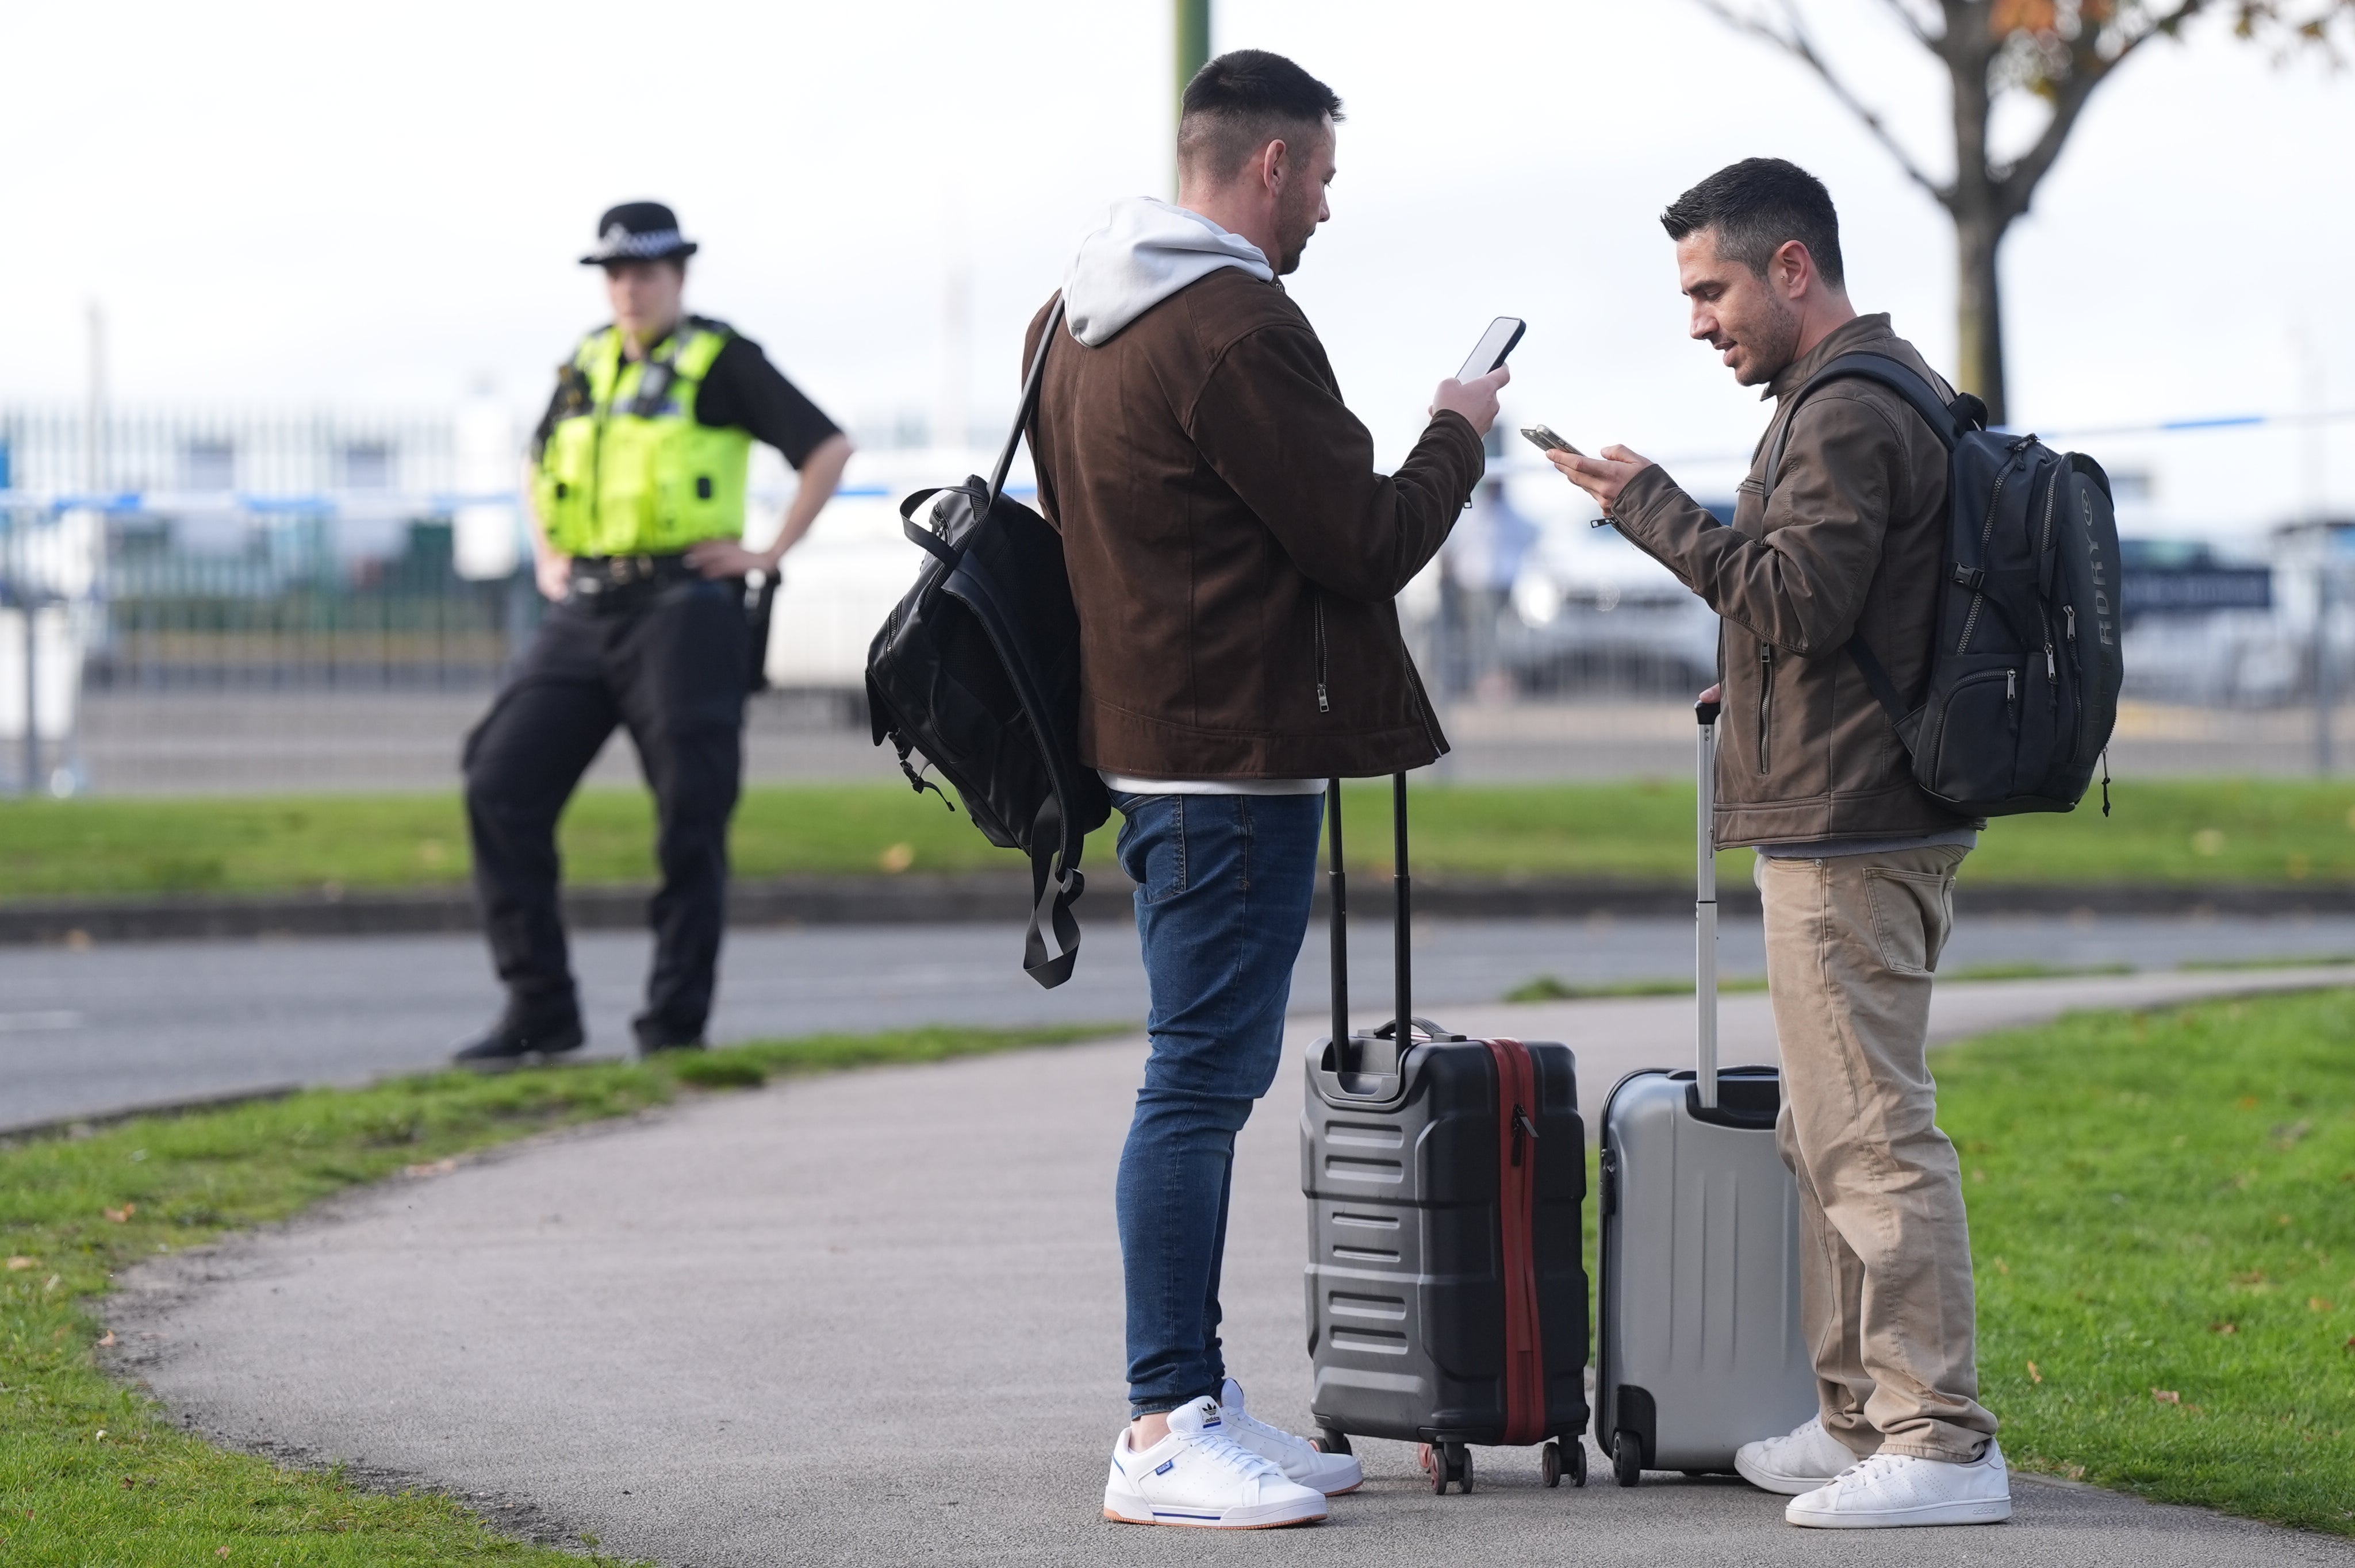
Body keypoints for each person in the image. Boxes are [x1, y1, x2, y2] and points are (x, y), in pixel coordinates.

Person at [1022, 50, 1504, 1529]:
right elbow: (1357, 540)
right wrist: (1457, 433)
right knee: (1196, 1084)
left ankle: (1204, 1397)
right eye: (1324, 183)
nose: (1324, 216)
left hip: (1148, 742)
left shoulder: (1069, 315)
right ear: (1272, 167)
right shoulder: (1235, 322)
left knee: (1200, 1077)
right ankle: (1163, 1421)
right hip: (1228, 757)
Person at [1551, 159, 2008, 1528]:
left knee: (1868, 1134)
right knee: (1821, 1130)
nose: (1699, 320)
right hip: (1855, 801)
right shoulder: (1880, 392)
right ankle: (1856, 1414)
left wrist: (1647, 505)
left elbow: (1797, 597)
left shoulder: (1846, 410)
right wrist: (1740, 672)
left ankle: (1937, 1438)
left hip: (1847, 825)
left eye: (1712, 288)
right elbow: (1847, 609)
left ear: (1791, 267)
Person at [454, 201, 854, 1066]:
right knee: (498, 780)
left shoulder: (721, 359)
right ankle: (539, 1012)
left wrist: (767, 550)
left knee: (690, 821)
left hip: (683, 613)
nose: (628, 288)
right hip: (586, 609)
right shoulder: (585, 364)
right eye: (616, 272)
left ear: (680, 276)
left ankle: (673, 1030)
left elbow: (827, 447)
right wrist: (548, 553)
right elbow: (537, 461)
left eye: (646, 271)